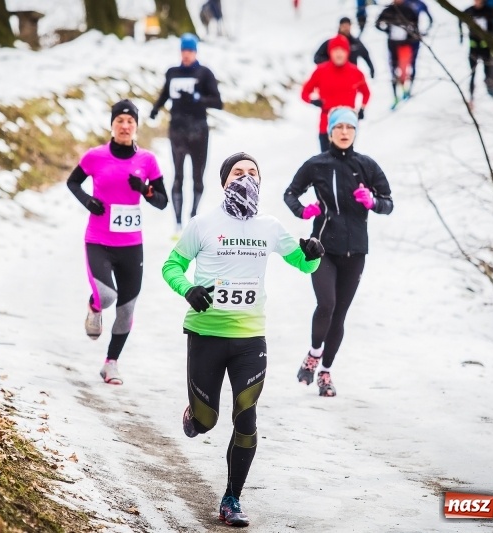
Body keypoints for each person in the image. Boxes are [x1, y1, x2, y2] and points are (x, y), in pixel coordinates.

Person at [162, 153, 324, 526]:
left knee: (246, 417)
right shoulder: (203, 224)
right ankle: (195, 417)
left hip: (251, 338)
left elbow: (302, 262)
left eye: (253, 172)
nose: (246, 176)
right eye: (238, 172)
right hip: (206, 333)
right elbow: (171, 266)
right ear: (224, 181)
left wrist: (313, 254)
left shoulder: (269, 226)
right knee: (207, 421)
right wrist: (188, 290)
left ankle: (232, 498)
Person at [283, 107, 393, 397]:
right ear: (330, 131)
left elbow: (388, 202)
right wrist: (304, 210)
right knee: (327, 304)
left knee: (340, 314)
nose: (344, 132)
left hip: (356, 250)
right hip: (322, 248)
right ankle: (313, 354)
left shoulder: (367, 166)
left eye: (350, 127)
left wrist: (372, 202)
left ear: (355, 131)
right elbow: (290, 193)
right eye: (339, 127)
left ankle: (325, 373)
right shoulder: (317, 164)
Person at [67, 100, 168, 385]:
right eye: (120, 121)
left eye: (130, 122)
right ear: (112, 125)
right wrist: (88, 201)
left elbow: (162, 202)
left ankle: (111, 363)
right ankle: (95, 306)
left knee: (126, 309)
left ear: (136, 127)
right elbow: (73, 183)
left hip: (131, 245)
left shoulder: (147, 161)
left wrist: (146, 191)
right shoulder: (95, 156)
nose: (125, 126)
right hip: (98, 240)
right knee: (107, 296)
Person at [150, 33, 222, 234]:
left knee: (197, 177)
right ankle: (178, 223)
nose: (186, 54)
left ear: (196, 51)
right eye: (183, 50)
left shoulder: (204, 73)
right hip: (177, 131)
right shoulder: (172, 73)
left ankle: (193, 215)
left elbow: (218, 102)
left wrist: (198, 98)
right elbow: (165, 93)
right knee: (178, 176)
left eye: (190, 50)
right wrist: (156, 108)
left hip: (199, 132)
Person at [301, 35, 370, 152]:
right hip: (326, 123)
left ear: (347, 52)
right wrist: (313, 101)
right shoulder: (320, 71)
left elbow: (366, 93)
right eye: (335, 50)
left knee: (346, 163)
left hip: (348, 124)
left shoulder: (356, 72)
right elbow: (304, 92)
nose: (339, 54)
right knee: (326, 161)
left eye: (342, 50)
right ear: (330, 52)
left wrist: (362, 108)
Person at [375, 0, 421, 106]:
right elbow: (377, 24)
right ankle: (395, 95)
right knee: (393, 69)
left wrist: (410, 34)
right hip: (392, 45)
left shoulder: (409, 10)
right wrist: (387, 30)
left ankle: (407, 90)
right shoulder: (388, 10)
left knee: (406, 68)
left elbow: (416, 26)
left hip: (406, 44)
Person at [459, 0, 493, 102]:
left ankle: (492, 95)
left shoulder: (489, 11)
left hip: (486, 48)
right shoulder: (469, 11)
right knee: (472, 73)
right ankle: (471, 98)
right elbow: (460, 19)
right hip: (473, 48)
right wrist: (461, 36)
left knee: (488, 72)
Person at [405, 0, 433, 86]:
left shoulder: (421, 4)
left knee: (413, 62)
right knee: (402, 63)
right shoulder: (404, 2)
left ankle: (410, 87)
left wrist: (424, 31)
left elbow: (431, 20)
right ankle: (402, 85)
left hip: (415, 37)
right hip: (403, 39)